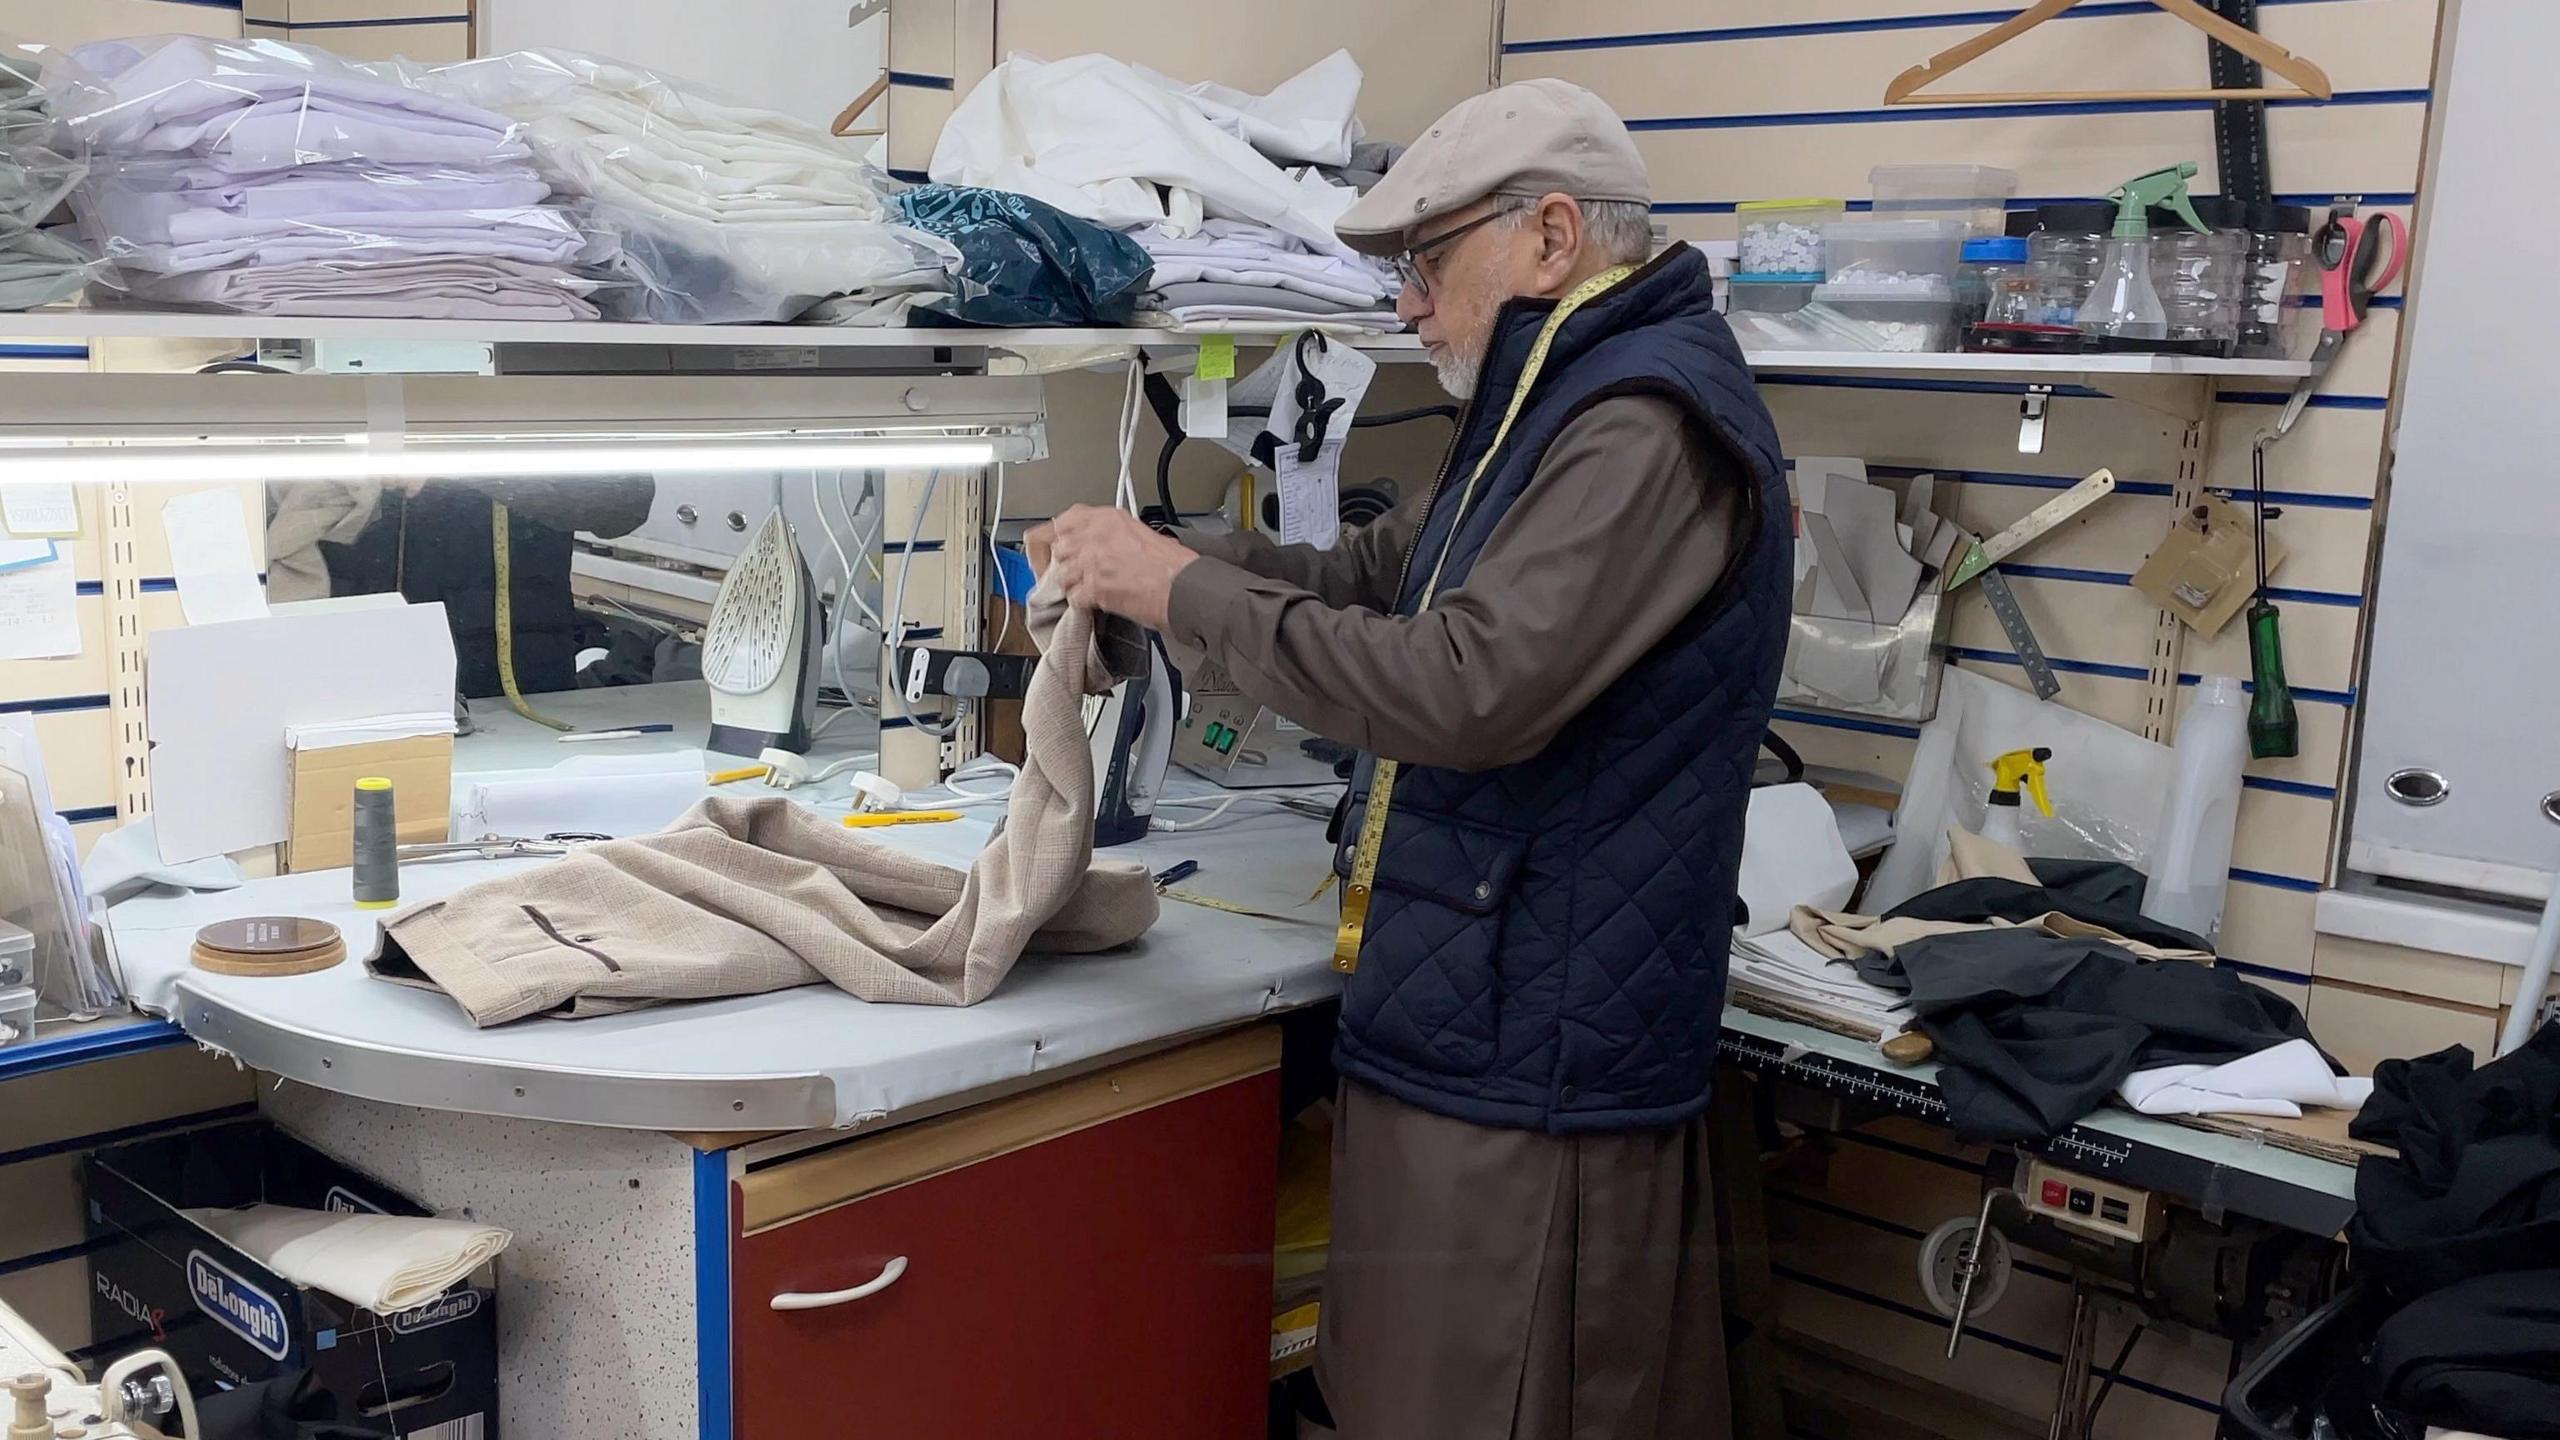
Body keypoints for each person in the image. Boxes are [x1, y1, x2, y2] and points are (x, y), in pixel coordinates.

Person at [1032, 78, 1789, 1440]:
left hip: (1537, 1062)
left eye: (1429, 267)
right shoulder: (1552, 404)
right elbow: (1389, 576)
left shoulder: (1643, 429)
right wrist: (1168, 565)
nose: (1406, 308)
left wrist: (1181, 597)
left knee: (1482, 1401)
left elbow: (1466, 686)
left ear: (1552, 238)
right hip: (1473, 1009)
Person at [322, 475, 654, 699]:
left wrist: (463, 461)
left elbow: (627, 502)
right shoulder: (317, 403)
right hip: (358, 676)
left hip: (520, 687)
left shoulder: (528, 403)